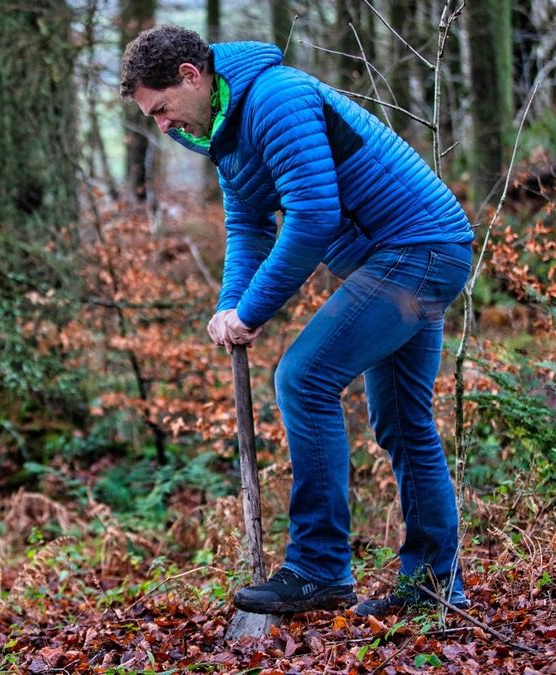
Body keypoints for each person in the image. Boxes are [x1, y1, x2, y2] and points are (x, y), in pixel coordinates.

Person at [120, 26, 474, 617]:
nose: (162, 125)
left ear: (191, 75)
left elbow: (311, 218)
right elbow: (249, 226)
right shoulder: (220, 134)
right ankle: (434, 590)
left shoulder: (275, 98)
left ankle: (318, 569)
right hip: (408, 259)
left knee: (303, 378)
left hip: (418, 253)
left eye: (161, 108)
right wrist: (229, 307)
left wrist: (255, 311)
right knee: (404, 423)